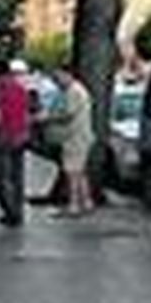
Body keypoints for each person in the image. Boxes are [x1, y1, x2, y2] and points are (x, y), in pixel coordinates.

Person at [0, 58, 30, 227]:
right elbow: (26, 113)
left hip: (3, 137)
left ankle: (10, 212)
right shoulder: (20, 88)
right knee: (17, 176)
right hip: (20, 136)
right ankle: (17, 211)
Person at [53, 66, 95, 216]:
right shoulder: (79, 89)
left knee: (72, 172)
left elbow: (68, 114)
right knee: (81, 171)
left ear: (67, 75)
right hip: (82, 136)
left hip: (75, 137)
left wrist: (48, 118)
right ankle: (87, 202)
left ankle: (74, 205)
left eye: (58, 77)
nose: (56, 81)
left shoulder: (73, 91)